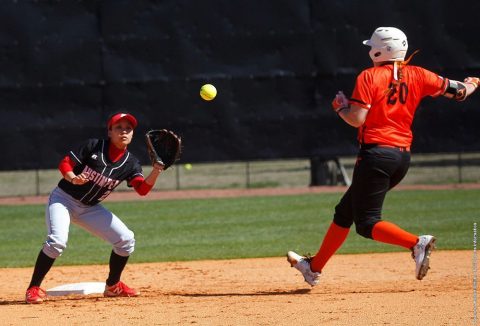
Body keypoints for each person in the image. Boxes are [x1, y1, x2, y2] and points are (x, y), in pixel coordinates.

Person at [287, 27, 480, 286]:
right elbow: (459, 91)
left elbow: (356, 119)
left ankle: (416, 243)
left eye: (371, 46)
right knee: (345, 212)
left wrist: (341, 107)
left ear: (380, 50)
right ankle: (314, 267)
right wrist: (472, 83)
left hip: (376, 155)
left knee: (366, 224)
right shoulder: (419, 74)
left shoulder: (369, 76)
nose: (369, 50)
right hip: (401, 159)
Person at [25, 112, 165, 303]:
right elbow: (65, 163)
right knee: (57, 242)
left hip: (90, 208)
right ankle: (33, 288)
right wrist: (73, 178)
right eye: (118, 127)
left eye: (128, 128)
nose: (124, 131)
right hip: (63, 199)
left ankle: (113, 286)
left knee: (126, 240)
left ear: (132, 134)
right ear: (110, 131)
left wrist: (156, 171)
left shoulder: (131, 163)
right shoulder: (93, 146)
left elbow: (141, 189)